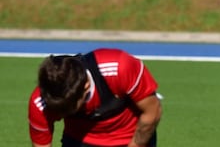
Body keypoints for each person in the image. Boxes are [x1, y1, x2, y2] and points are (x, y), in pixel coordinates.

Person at [28, 48, 162, 147]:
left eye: (68, 107)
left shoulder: (119, 67)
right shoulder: (42, 102)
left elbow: (152, 111)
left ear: (86, 86)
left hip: (131, 137)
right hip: (80, 141)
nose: (61, 113)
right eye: (58, 108)